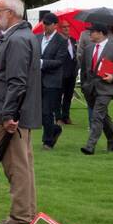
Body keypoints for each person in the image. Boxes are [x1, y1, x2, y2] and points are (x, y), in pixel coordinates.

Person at [0, 0, 41, 224]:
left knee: (16, 166)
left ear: (11, 13)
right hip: (19, 114)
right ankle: (27, 212)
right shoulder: (22, 36)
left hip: (12, 116)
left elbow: (17, 82)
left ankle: (20, 216)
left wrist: (8, 116)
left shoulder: (17, 39)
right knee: (23, 165)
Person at [79, 24, 113, 155]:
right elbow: (84, 69)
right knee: (103, 116)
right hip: (89, 89)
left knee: (96, 116)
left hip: (106, 89)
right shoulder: (88, 48)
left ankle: (90, 146)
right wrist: (84, 86)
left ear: (101, 33)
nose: (89, 34)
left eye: (92, 32)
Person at [37, 11, 72, 150]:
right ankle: (55, 130)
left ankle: (48, 141)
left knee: (47, 111)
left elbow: (59, 61)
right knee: (39, 112)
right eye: (43, 23)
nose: (44, 26)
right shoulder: (37, 38)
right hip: (37, 80)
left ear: (55, 25)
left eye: (47, 24)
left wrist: (41, 63)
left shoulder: (62, 41)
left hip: (52, 81)